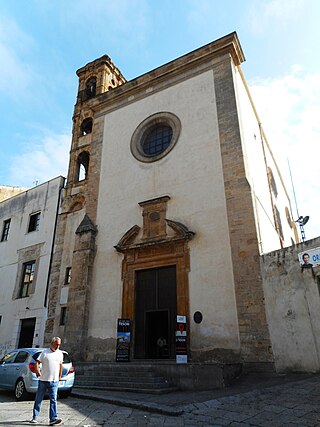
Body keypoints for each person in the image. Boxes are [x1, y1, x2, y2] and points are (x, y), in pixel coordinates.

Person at [30, 337, 63, 425]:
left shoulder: (60, 353)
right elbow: (37, 362)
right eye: (56, 344)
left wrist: (59, 376)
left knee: (53, 399)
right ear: (52, 343)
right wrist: (37, 370)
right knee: (39, 399)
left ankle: (53, 418)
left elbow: (60, 365)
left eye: (59, 345)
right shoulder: (44, 353)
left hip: (54, 381)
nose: (58, 346)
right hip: (43, 380)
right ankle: (35, 416)